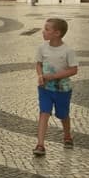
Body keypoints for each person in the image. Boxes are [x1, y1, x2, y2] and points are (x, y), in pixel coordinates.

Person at [33, 18, 78, 156]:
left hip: (62, 90)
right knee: (44, 112)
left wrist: (53, 76)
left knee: (63, 115)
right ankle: (40, 144)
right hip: (45, 88)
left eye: (47, 29)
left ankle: (67, 135)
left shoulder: (68, 51)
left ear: (57, 33)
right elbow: (39, 64)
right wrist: (40, 75)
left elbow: (73, 70)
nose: (43, 31)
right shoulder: (42, 48)